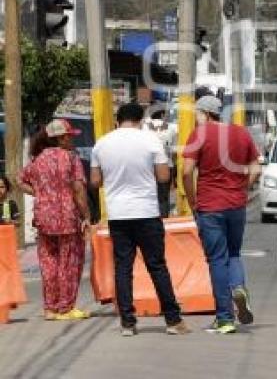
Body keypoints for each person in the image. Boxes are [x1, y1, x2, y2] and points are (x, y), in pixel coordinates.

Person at [90, 103, 191, 337]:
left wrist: (113, 179)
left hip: (118, 214)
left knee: (123, 268)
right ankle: (173, 320)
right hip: (146, 212)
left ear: (118, 119)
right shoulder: (151, 140)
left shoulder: (102, 144)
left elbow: (95, 182)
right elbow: (164, 176)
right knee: (157, 266)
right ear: (140, 119)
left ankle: (127, 322)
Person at [183, 95, 261, 334]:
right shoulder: (241, 133)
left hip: (210, 206)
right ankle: (238, 287)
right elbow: (256, 168)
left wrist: (193, 200)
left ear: (204, 113)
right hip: (236, 205)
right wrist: (241, 188)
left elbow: (186, 171)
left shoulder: (200, 134)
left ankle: (225, 319)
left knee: (217, 259)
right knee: (234, 253)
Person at [18, 120, 90, 321]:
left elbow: (19, 180)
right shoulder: (71, 159)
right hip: (67, 218)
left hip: (43, 218)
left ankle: (50, 309)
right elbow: (78, 190)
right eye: (69, 136)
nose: (72, 139)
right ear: (60, 138)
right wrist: (86, 217)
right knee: (69, 262)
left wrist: (39, 192)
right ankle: (66, 308)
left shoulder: (38, 160)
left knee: (48, 262)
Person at [144, 108, 177, 218]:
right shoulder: (172, 127)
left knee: (149, 195)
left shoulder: (143, 127)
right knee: (163, 196)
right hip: (167, 165)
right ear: (162, 114)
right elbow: (174, 150)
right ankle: (164, 219)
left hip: (148, 166)